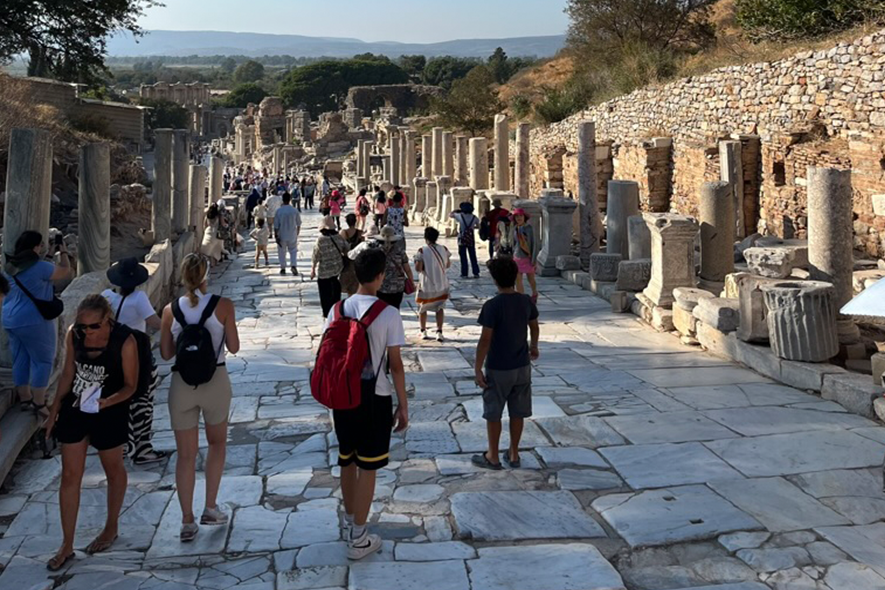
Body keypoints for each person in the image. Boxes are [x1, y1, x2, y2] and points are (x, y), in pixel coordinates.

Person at [44, 295, 139, 570]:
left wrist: (108, 402)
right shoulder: (74, 335)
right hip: (77, 406)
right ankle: (66, 544)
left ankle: (111, 526)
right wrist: (54, 410)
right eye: (82, 326)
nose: (87, 332)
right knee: (70, 475)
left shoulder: (125, 341)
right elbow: (68, 373)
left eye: (93, 326)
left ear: (107, 320)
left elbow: (131, 385)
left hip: (110, 409)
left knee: (113, 468)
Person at [326, 247, 408, 560]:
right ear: (380, 276)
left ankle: (351, 520)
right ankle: (359, 537)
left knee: (347, 459)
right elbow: (395, 365)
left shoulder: (337, 310)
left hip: (342, 396)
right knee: (369, 466)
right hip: (375, 397)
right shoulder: (388, 314)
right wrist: (403, 404)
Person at [160, 254, 240, 543]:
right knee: (217, 444)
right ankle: (210, 507)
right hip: (215, 380)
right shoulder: (223, 305)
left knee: (185, 455)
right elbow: (234, 346)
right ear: (207, 275)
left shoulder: (170, 310)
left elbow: (166, 353)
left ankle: (186, 521)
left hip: (182, 385)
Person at [472, 257, 540, 471]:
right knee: (517, 411)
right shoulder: (525, 301)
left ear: (495, 279)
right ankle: (514, 452)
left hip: (498, 367)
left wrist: (477, 368)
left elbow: (485, 340)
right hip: (522, 366)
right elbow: (534, 326)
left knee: (494, 411)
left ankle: (492, 455)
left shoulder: (492, 306)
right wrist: (534, 346)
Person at [2, 230, 73, 420]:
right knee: (43, 360)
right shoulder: (40, 267)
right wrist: (63, 252)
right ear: (35, 247)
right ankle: (39, 402)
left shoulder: (9, 266)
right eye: (41, 245)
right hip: (34, 320)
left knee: (20, 358)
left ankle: (25, 398)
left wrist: (48, 255)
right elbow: (64, 271)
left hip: (10, 319)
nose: (42, 247)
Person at [102, 258, 165, 465]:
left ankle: (119, 446)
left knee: (118, 401)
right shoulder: (138, 298)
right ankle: (142, 449)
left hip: (113, 359)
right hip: (138, 357)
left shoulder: (105, 296)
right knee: (142, 402)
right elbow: (154, 322)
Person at [349, 226, 414, 310]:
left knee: (379, 310)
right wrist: (411, 281)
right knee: (394, 309)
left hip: (380, 286)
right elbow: (407, 269)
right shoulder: (400, 251)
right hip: (397, 287)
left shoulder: (375, 251)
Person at [414, 227, 451, 341]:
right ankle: (439, 331)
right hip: (441, 283)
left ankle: (423, 330)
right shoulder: (444, 249)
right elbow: (448, 265)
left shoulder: (422, 250)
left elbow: (418, 268)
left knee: (423, 308)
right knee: (440, 307)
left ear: (426, 238)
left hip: (427, 284)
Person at [311, 216, 349, 318]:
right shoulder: (338, 237)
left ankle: (326, 313)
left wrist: (313, 269)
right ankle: (336, 311)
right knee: (335, 291)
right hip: (337, 269)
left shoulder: (320, 240)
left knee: (324, 294)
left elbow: (316, 255)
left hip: (324, 271)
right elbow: (346, 249)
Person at [512, 208, 538, 303]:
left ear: (524, 217)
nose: (519, 218)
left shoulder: (529, 229)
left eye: (521, 216)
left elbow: (534, 243)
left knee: (530, 278)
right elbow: (514, 243)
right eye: (517, 216)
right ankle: (521, 298)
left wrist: (534, 259)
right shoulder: (515, 229)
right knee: (517, 280)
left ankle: (534, 293)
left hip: (528, 257)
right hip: (517, 257)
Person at [274, 192, 302, 276]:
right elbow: (298, 223)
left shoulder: (279, 211)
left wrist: (276, 235)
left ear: (282, 200)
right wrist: (297, 233)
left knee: (281, 252)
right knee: (293, 251)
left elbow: (276, 225)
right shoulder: (294, 210)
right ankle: (293, 265)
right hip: (292, 234)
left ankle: (283, 268)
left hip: (282, 234)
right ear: (290, 199)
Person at [450, 202, 480, 279]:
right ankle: (476, 272)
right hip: (470, 238)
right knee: (472, 255)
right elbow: (478, 226)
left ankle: (464, 273)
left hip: (462, 238)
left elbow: (451, 215)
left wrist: (457, 211)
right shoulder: (474, 217)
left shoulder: (460, 216)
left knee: (463, 257)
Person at [339, 213, 364, 296]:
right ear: (355, 221)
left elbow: (340, 246)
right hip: (357, 261)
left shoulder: (343, 233)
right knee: (356, 284)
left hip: (347, 261)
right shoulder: (360, 233)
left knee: (348, 284)